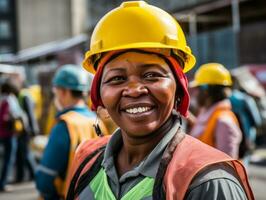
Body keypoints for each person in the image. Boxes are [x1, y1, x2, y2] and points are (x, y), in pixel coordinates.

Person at [66, 2, 254, 200]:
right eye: (117, 79)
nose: (134, 90)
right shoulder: (87, 161)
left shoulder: (209, 182)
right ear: (99, 95)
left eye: (151, 75)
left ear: (179, 89)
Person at [35, 64, 108, 199]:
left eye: (56, 91)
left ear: (64, 92)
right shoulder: (97, 121)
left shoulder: (64, 125)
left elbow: (45, 178)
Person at [0, 79, 26, 191]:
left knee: (7, 158)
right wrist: (17, 117)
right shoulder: (9, 100)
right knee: (9, 159)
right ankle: (3, 183)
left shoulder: (2, 99)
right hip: (9, 133)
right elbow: (5, 117)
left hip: (4, 133)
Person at [15, 84, 40, 183]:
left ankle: (34, 174)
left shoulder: (24, 96)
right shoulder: (24, 95)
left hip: (27, 130)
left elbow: (30, 114)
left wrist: (33, 129)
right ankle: (30, 175)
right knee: (25, 153)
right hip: (25, 129)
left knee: (26, 153)